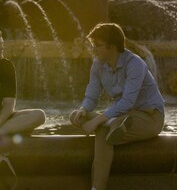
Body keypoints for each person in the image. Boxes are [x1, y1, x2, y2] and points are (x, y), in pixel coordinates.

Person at [70, 23, 164, 190]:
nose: (94, 49)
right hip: (120, 116)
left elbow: (128, 102)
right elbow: (91, 96)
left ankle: (97, 187)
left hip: (149, 117)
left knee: (104, 131)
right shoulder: (98, 65)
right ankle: (110, 124)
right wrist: (83, 110)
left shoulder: (135, 64)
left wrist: (97, 121)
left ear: (112, 46)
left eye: (97, 45)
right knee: (76, 116)